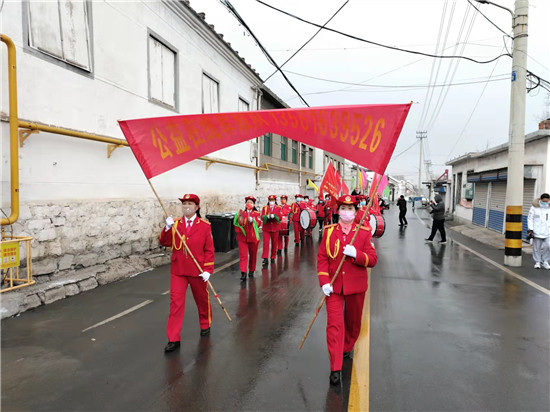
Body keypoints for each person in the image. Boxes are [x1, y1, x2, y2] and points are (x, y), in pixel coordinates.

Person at [317, 195, 378, 385]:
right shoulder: (328, 232)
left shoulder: (364, 233)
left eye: (350, 209)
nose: (346, 212)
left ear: (355, 212)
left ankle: (348, 346)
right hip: (334, 287)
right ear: (338, 211)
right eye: (343, 208)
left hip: (356, 287)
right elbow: (322, 258)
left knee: (352, 324)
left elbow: (373, 260)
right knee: (334, 326)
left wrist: (357, 254)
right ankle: (335, 368)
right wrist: (324, 281)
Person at [159, 194, 215, 352]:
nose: (186, 206)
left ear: (197, 207)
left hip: (198, 271)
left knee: (202, 299)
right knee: (175, 304)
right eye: (184, 204)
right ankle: (173, 338)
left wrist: (208, 270)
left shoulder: (204, 226)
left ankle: (205, 323)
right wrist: (167, 228)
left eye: (190, 203)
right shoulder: (175, 223)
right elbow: (164, 242)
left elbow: (209, 250)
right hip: (179, 270)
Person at [234, 196, 262, 281]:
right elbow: (237, 223)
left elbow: (258, 223)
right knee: (243, 255)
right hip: (243, 238)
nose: (249, 204)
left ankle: (251, 270)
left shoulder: (257, 213)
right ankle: (243, 272)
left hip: (253, 238)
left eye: (251, 202)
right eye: (248, 202)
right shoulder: (242, 213)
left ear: (254, 204)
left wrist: (252, 220)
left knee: (253, 255)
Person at [527, 193, 550, 269]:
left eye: (547, 201)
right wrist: (530, 229)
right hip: (537, 231)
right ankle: (537, 262)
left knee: (548, 246)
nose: (545, 202)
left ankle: (545, 261)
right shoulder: (534, 207)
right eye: (544, 201)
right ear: (540, 199)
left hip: (548, 231)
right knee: (537, 248)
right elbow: (530, 218)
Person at [261, 195, 282, 267]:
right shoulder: (265, 208)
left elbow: (280, 217)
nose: (271, 202)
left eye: (273, 200)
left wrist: (275, 217)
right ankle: (265, 257)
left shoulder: (278, 208)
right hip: (266, 228)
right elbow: (262, 217)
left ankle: (273, 257)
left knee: (274, 243)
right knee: (266, 243)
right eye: (270, 200)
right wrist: (266, 216)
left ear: (275, 201)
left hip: (275, 228)